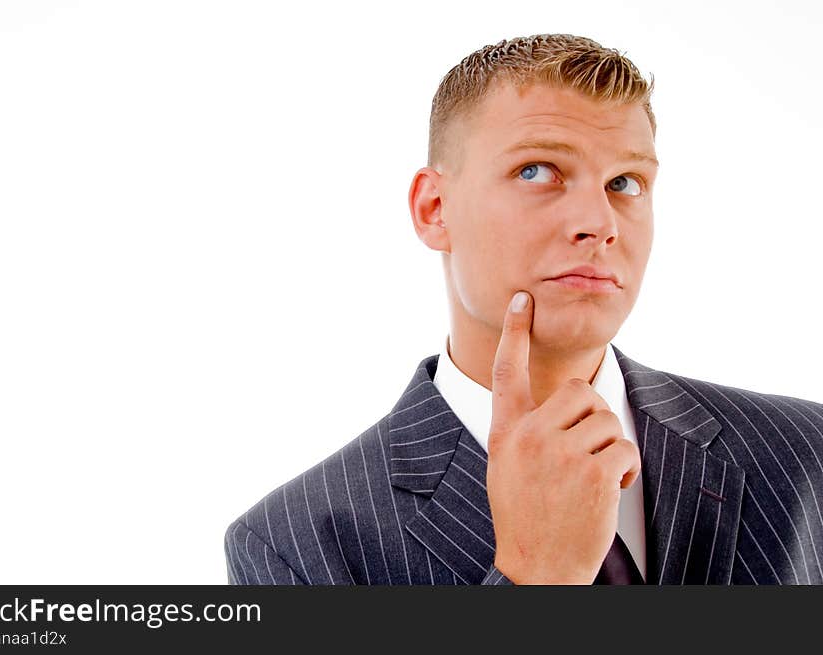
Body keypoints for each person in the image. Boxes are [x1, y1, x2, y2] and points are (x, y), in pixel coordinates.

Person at [224, 34, 823, 585]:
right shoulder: (294, 542)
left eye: (626, 183)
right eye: (537, 171)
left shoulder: (802, 455)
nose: (599, 223)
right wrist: (535, 578)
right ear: (435, 209)